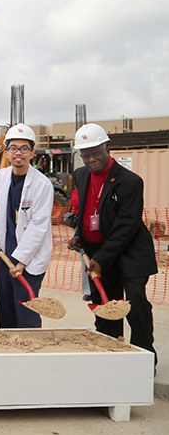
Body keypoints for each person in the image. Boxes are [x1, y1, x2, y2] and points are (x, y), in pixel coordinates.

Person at [67, 123, 157, 362]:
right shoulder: (81, 175)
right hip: (97, 250)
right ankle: (110, 352)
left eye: (96, 152)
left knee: (135, 300)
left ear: (107, 147)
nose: (90, 159)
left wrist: (101, 259)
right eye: (85, 155)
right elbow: (86, 209)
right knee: (104, 302)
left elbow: (126, 225)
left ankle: (144, 356)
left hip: (130, 251)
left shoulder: (130, 181)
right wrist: (79, 232)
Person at [0, 123, 53, 329]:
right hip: (6, 254)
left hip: (29, 259)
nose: (18, 153)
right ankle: (10, 352)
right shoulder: (1, 177)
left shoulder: (42, 184)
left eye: (24, 148)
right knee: (5, 306)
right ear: (7, 152)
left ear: (32, 153)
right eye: (14, 148)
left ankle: (31, 353)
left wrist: (22, 261)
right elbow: (1, 208)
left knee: (26, 310)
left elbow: (39, 226)